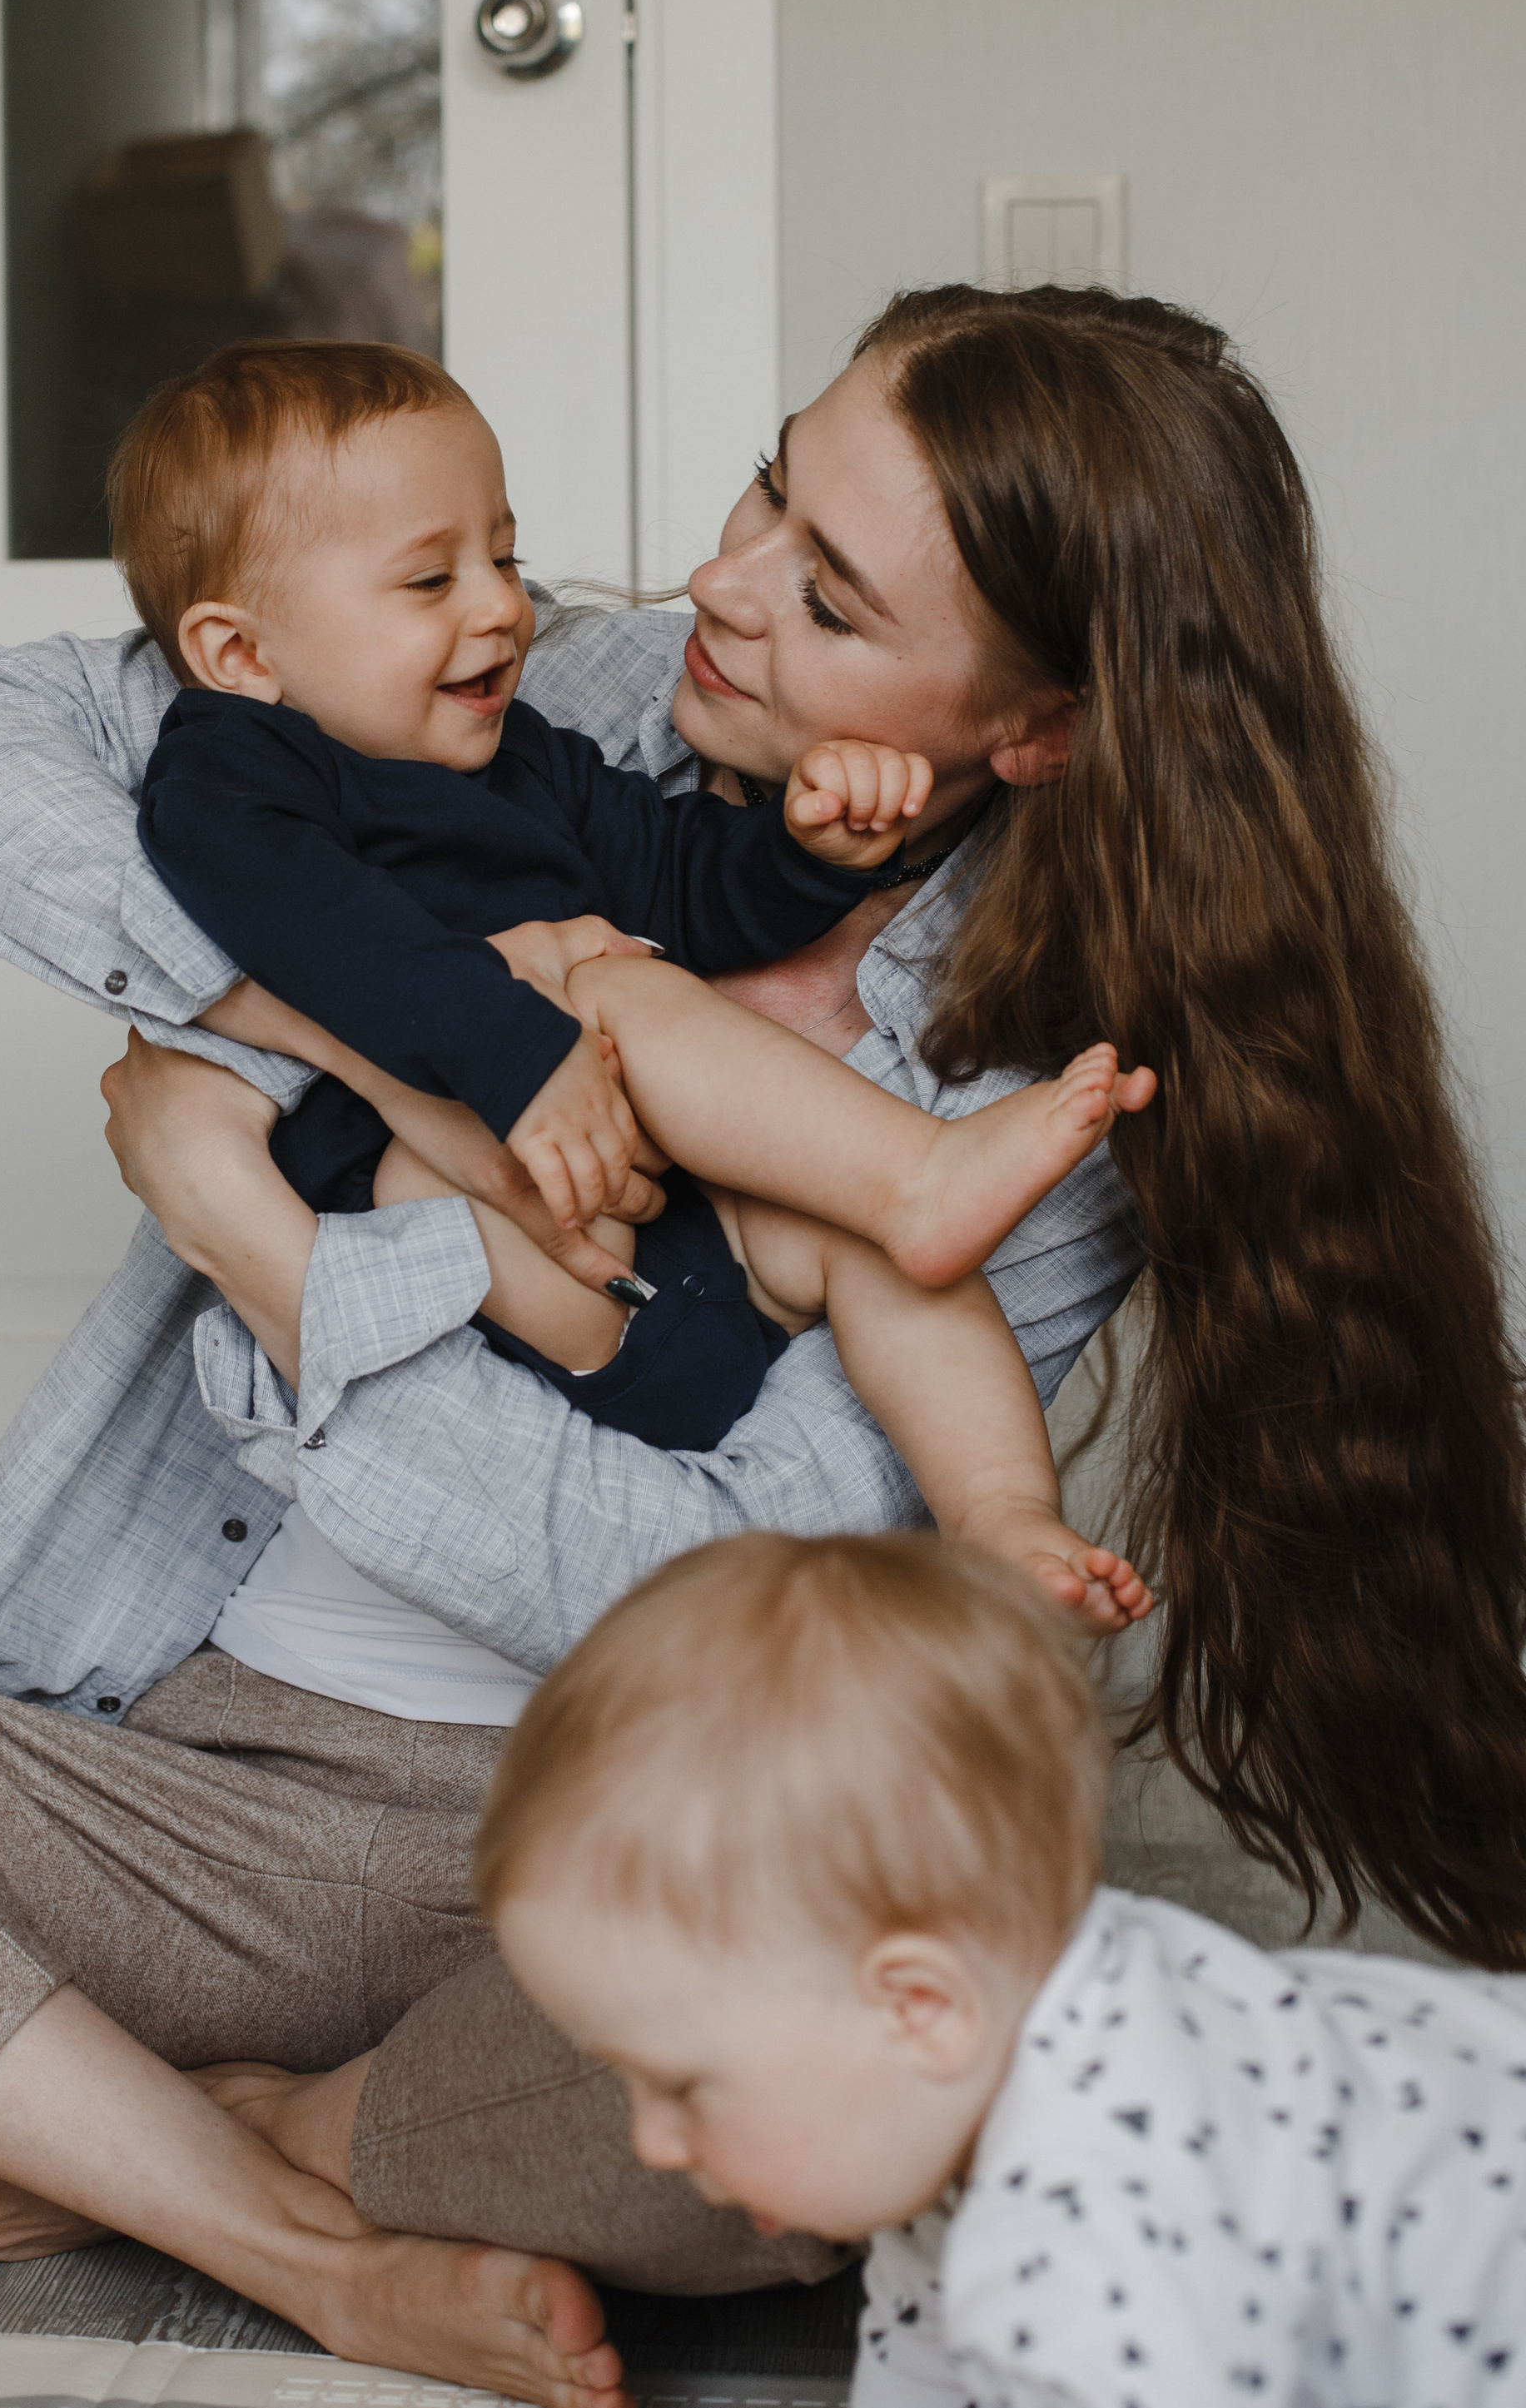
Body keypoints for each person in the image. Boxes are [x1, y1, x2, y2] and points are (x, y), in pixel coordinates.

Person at [0, 287, 1519, 2408]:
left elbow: (716, 1585)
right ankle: (292, 2231)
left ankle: (198, 2129)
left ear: (1036, 728)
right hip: (177, 1786)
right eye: (771, 483)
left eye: (832, 592)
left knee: (877, 2102)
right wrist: (344, 1024)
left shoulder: (1036, 1090)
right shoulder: (518, 684)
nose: (719, 583)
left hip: (601, 1869)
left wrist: (273, 1242)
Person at [126, 335, 1154, 1615]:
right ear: (238, 653)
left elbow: (683, 879)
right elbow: (312, 920)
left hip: (681, 1282)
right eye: (431, 578)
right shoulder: (233, 769)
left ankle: (1000, 1510)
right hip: (445, 1231)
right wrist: (519, 1031)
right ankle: (914, 1171)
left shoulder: (527, 759)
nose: (505, 608)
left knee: (888, 1255)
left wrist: (807, 851)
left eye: (501, 557)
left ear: (1037, 725)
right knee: (611, 981)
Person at [478, 1527, 1526, 2408]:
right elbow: (927, 2390)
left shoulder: (1097, 2211)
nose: (653, 2142)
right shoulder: (974, 2082)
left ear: (919, 2009)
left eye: (680, 2084)